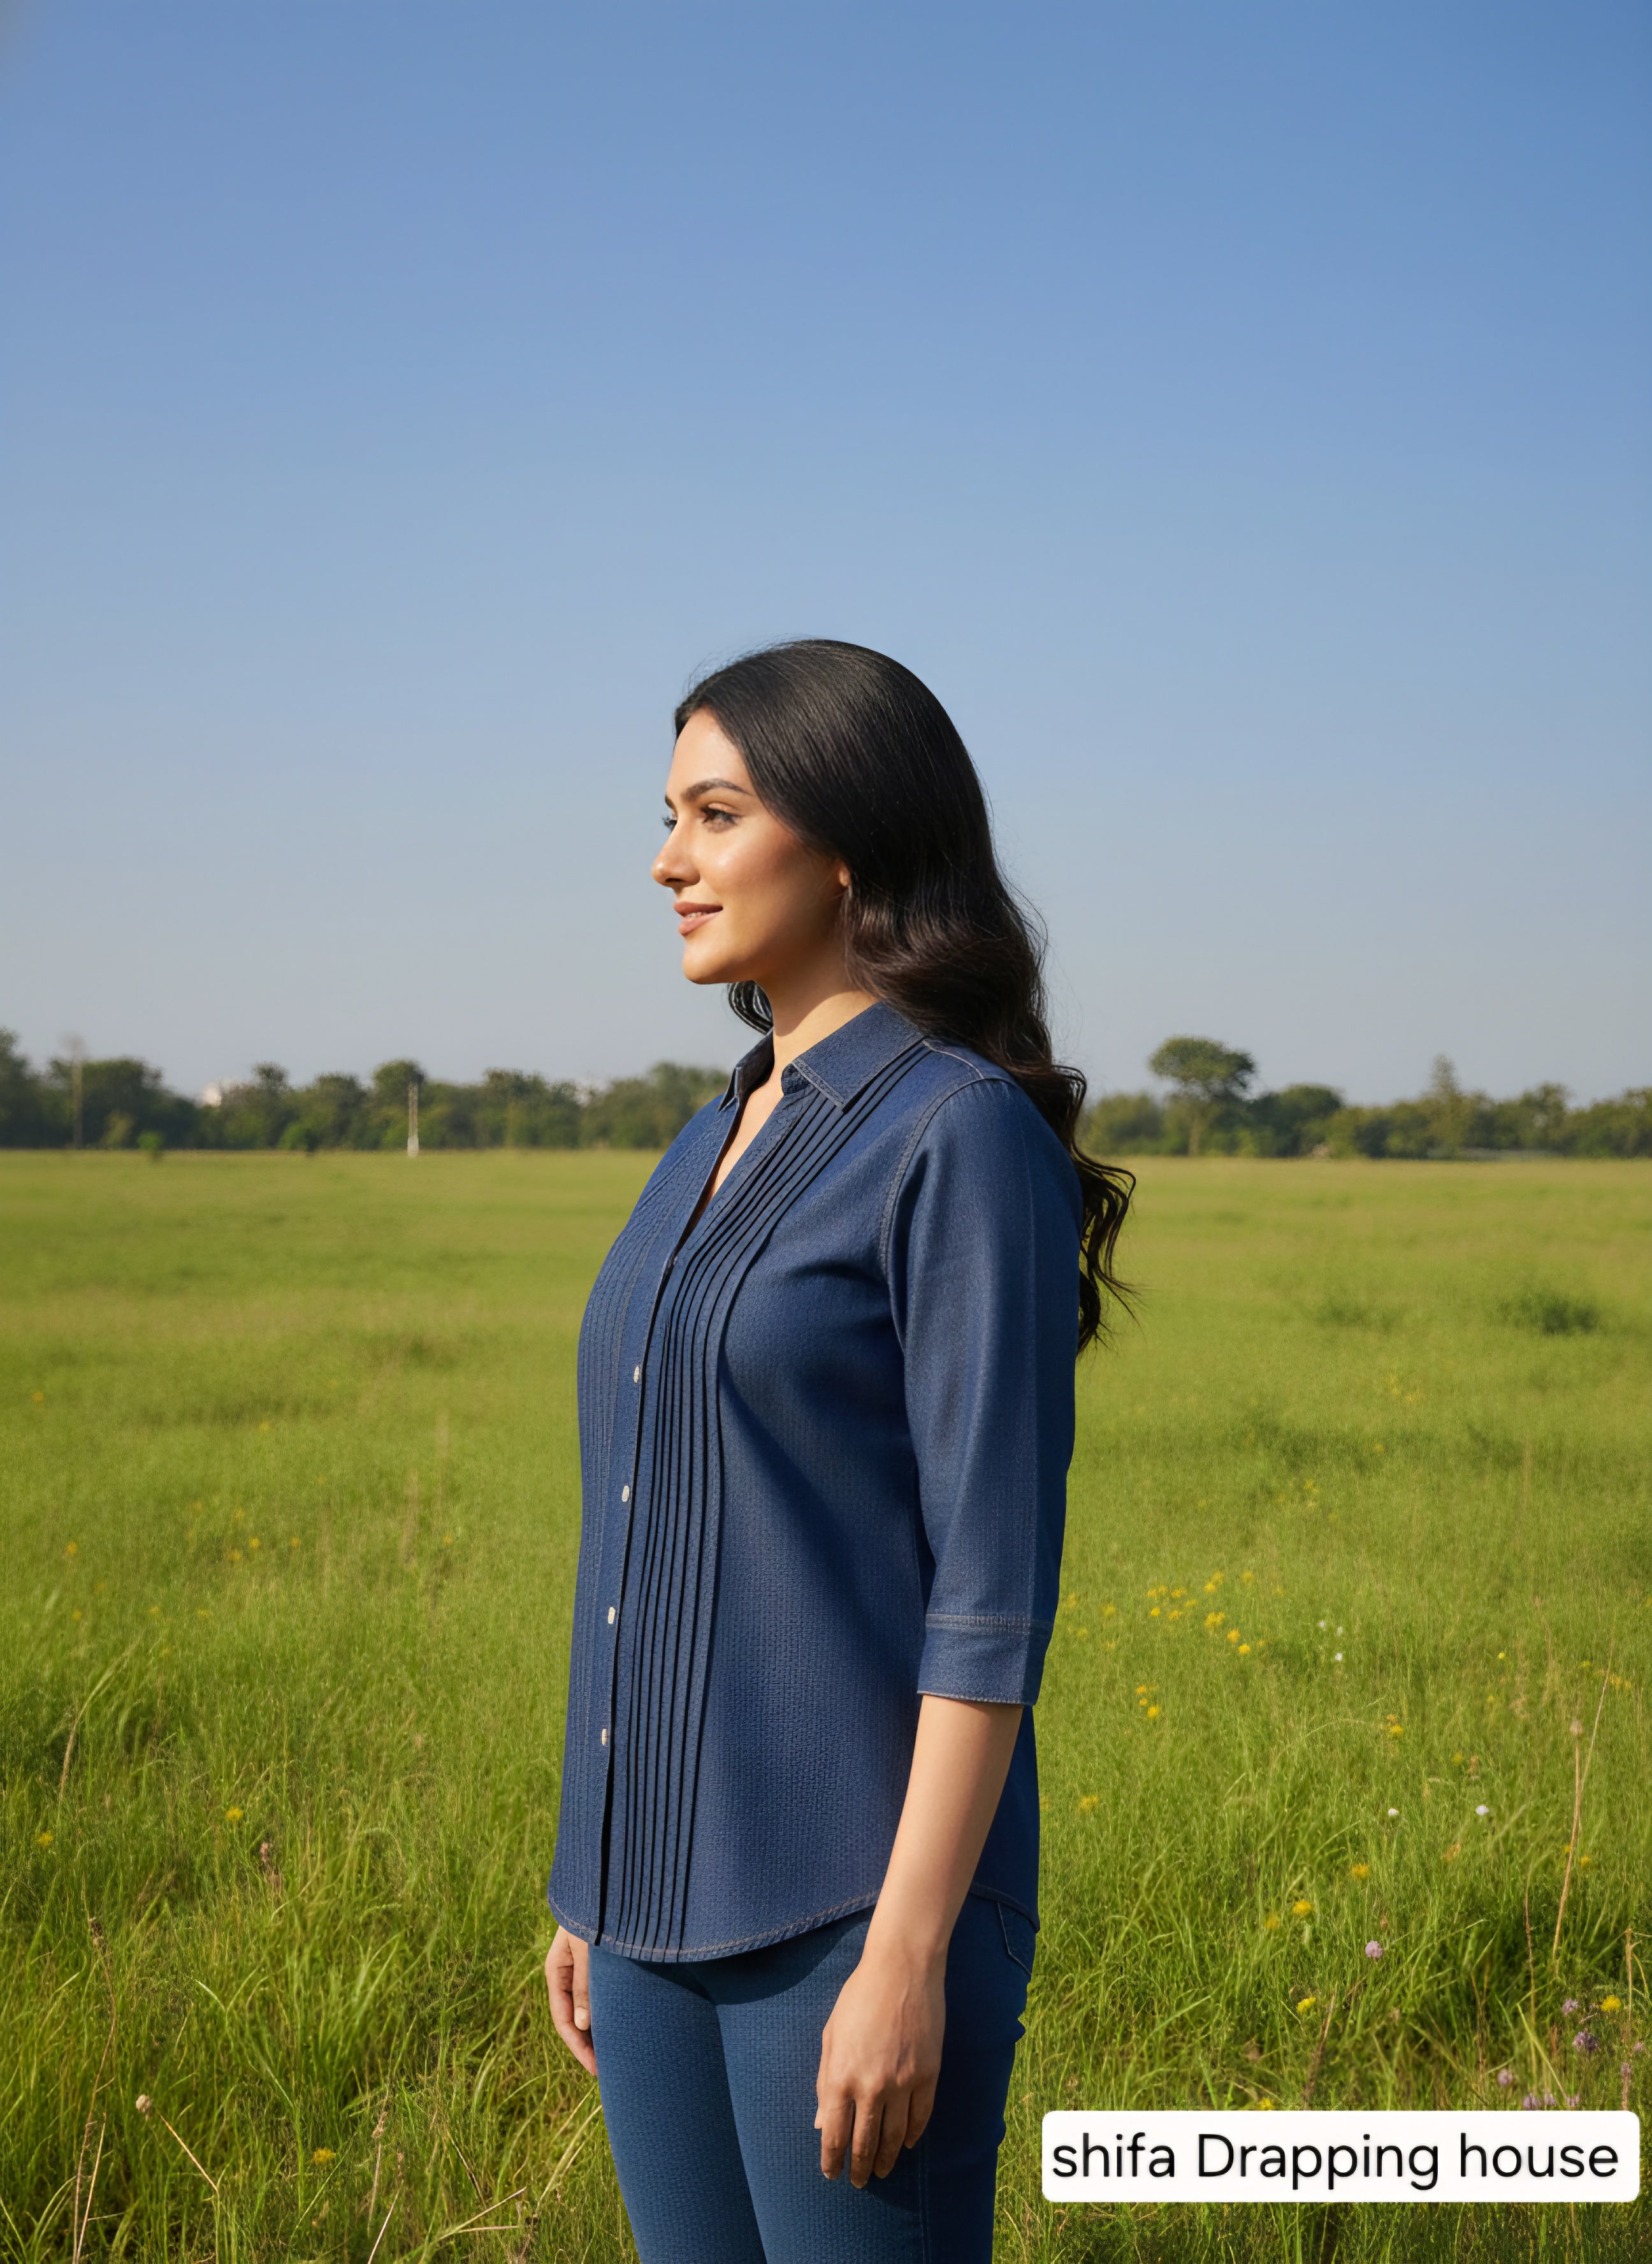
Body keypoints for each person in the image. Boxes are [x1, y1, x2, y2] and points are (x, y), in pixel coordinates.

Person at [544, 641, 1130, 2261]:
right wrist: (593, 1880)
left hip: (849, 1923)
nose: (667, 859)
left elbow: (991, 1602)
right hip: (647, 1913)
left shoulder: (958, 1137)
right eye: (668, 814)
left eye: (715, 814)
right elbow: (644, 1528)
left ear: (851, 838)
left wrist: (907, 1957)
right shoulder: (711, 1132)